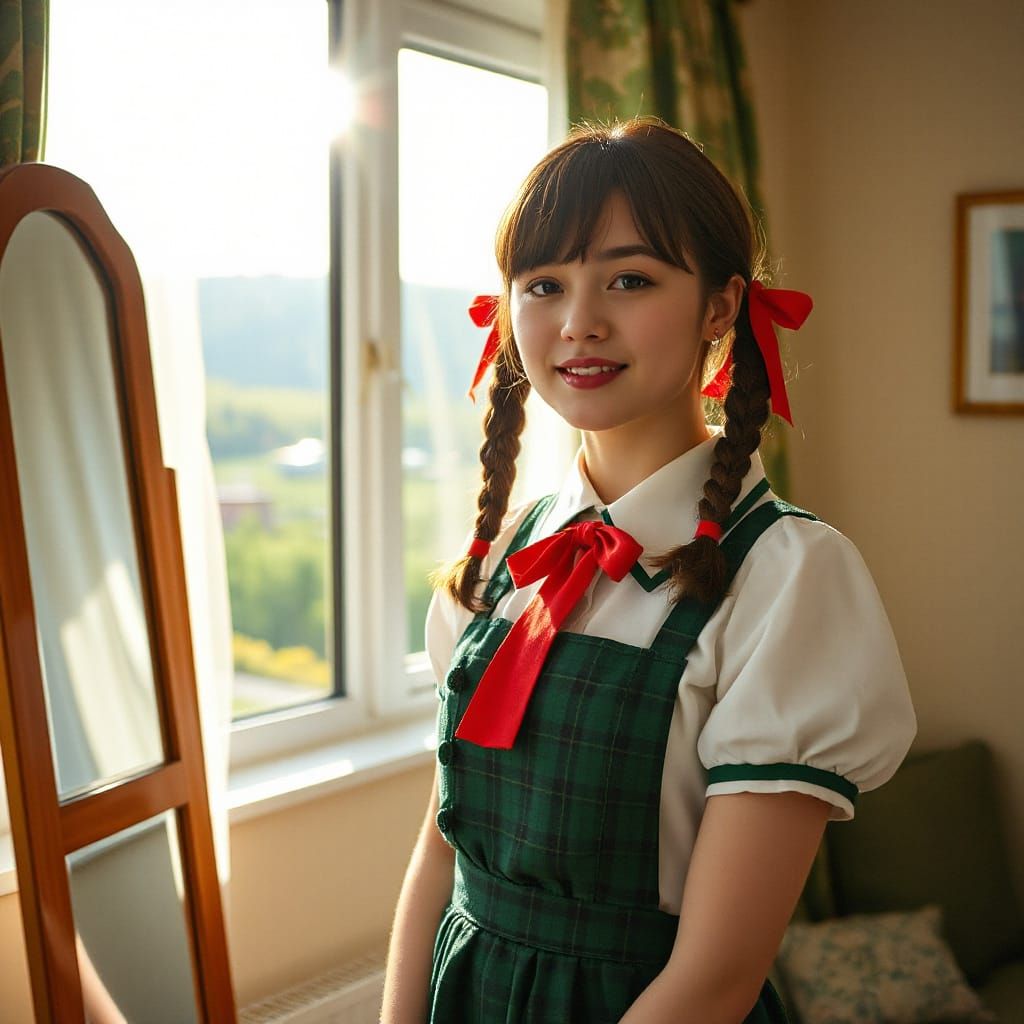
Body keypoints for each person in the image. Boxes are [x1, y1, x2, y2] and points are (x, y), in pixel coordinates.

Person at [381, 116, 917, 1024]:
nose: (579, 322)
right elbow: (443, 855)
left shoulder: (790, 579)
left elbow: (714, 979)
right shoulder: (503, 557)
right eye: (543, 284)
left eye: (629, 279)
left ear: (720, 307)